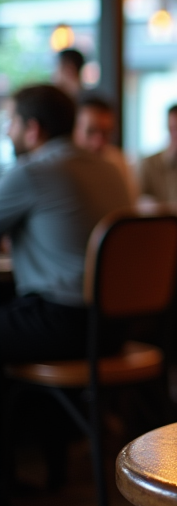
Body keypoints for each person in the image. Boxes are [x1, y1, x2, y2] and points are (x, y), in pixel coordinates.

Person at [0, 85, 131, 362]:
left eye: (12, 122)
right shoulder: (112, 171)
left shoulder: (31, 172)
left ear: (33, 128)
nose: (8, 131)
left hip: (63, 325)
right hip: (117, 327)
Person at [73, 95, 136, 200]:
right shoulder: (63, 168)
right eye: (91, 132)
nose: (98, 142)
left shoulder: (117, 162)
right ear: (74, 130)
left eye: (106, 133)